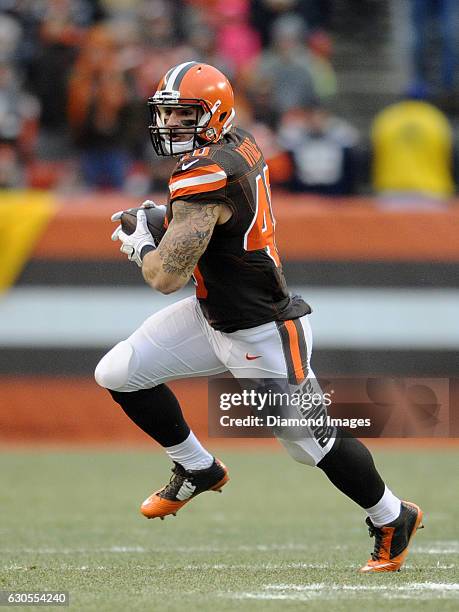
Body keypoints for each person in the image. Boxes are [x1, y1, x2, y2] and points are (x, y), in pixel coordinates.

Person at [95, 61, 423, 573]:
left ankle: (392, 515)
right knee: (119, 372)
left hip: (261, 330)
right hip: (214, 314)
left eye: (184, 115)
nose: (171, 126)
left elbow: (165, 277)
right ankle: (197, 466)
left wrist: (143, 246)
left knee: (309, 442)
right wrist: (166, 221)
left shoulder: (205, 175)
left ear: (213, 115)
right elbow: (205, 227)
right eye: (168, 114)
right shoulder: (236, 142)